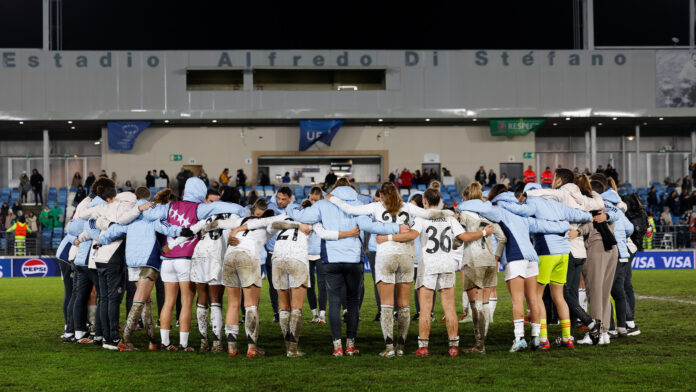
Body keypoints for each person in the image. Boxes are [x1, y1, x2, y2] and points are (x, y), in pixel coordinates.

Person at [326, 182, 454, 357]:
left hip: (385, 255)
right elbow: (430, 213)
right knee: (404, 305)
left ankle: (389, 348)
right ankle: (401, 347)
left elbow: (350, 210)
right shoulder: (408, 207)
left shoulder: (377, 206)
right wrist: (448, 212)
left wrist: (332, 198)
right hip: (405, 256)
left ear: (383, 196)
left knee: (387, 305)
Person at [286, 178, 406, 356]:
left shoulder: (323, 204)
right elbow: (370, 226)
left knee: (333, 303)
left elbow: (301, 216)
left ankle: (337, 347)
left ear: (334, 189)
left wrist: (290, 206)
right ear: (351, 189)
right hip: (354, 259)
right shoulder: (359, 204)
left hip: (331, 258)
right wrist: (396, 227)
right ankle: (350, 345)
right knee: (353, 302)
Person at [379, 188, 492, 357]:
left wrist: (389, 237)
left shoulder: (422, 217)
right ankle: (453, 346)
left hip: (428, 266)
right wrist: (484, 232)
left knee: (425, 309)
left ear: (424, 201)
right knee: (449, 307)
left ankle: (423, 347)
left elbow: (411, 236)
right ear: (439, 201)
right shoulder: (448, 216)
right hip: (447, 265)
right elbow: (464, 237)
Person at [460, 184, 569, 352]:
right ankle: (536, 338)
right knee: (533, 299)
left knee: (517, 300)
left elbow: (478, 207)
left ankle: (519, 339)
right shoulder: (521, 211)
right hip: (532, 258)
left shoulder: (499, 210)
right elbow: (543, 226)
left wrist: (460, 206)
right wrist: (564, 227)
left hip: (515, 256)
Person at [140, 177, 246, 351]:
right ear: (201, 192)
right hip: (186, 258)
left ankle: (165, 343)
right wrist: (242, 210)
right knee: (187, 301)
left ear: (184, 191)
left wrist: (149, 204)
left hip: (167, 259)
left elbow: (148, 214)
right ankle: (184, 344)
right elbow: (229, 207)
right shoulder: (200, 208)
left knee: (168, 301)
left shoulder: (169, 206)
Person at [506, 182, 593, 349]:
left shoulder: (532, 203)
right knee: (559, 297)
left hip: (546, 252)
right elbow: (586, 216)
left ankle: (543, 338)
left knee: (537, 296)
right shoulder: (556, 204)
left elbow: (519, 213)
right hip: (563, 253)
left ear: (527, 194)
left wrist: (504, 204)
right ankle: (568, 338)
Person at [97, 187, 185, 351]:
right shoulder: (153, 216)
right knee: (140, 299)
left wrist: (101, 239)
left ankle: (152, 340)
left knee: (146, 301)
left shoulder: (131, 216)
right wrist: (182, 231)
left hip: (132, 261)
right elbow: (166, 227)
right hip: (148, 260)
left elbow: (115, 229)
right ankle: (125, 339)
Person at [526, 169, 608, 343]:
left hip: (565, 248)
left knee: (564, 294)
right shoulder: (582, 198)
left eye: (554, 178)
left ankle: (591, 323)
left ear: (559, 180)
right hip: (580, 251)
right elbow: (599, 202)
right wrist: (587, 190)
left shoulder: (562, 194)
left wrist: (527, 193)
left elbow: (545, 193)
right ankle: (568, 336)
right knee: (566, 294)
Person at [456, 182, 506, 353]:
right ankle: (482, 341)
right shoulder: (489, 217)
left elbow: (459, 237)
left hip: (473, 260)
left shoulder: (464, 215)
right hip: (490, 261)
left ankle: (479, 344)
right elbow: (503, 238)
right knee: (484, 303)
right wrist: (497, 255)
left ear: (466, 197)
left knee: (475, 304)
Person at [576, 175, 620, 345]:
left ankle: (596, 333)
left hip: (597, 248)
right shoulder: (607, 205)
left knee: (594, 292)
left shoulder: (587, 204)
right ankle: (605, 332)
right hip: (611, 248)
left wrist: (578, 231)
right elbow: (619, 211)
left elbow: (590, 222)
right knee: (604, 293)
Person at [263, 187, 300, 322]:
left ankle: (289, 310)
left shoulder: (296, 211)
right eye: (278, 198)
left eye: (283, 199)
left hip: (290, 254)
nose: (280, 201)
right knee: (274, 285)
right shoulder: (271, 210)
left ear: (290, 199)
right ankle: (276, 313)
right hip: (272, 253)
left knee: (290, 284)